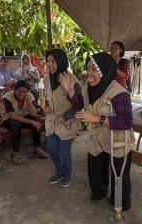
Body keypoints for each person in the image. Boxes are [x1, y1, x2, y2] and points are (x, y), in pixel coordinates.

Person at [70, 52, 134, 211]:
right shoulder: (88, 88)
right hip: (97, 138)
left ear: (105, 70)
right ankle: (99, 193)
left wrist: (97, 118)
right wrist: (70, 91)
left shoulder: (119, 94)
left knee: (119, 174)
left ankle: (120, 202)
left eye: (94, 69)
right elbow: (79, 103)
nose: (89, 73)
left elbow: (126, 121)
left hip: (117, 139)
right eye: (88, 69)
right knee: (95, 168)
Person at [44, 48, 83, 187]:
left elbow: (80, 104)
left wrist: (66, 117)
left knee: (64, 150)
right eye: (48, 61)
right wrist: (46, 105)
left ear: (60, 61)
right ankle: (59, 171)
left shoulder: (72, 80)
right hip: (51, 122)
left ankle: (67, 174)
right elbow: (47, 95)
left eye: (53, 61)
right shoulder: (46, 78)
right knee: (52, 148)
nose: (50, 64)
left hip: (67, 123)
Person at [0, 80, 49, 164]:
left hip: (22, 115)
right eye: (19, 91)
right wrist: (30, 121)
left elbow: (33, 113)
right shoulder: (7, 96)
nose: (21, 93)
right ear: (15, 89)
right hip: (8, 118)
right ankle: (15, 153)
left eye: (24, 91)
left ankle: (37, 148)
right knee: (15, 124)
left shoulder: (29, 96)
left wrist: (27, 98)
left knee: (35, 120)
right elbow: (13, 116)